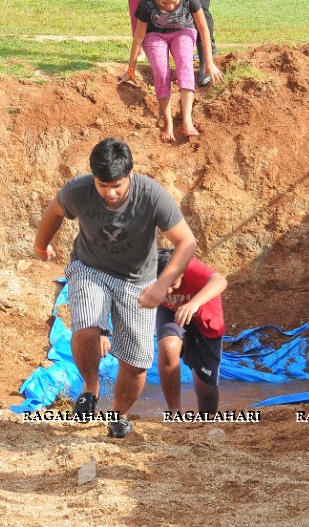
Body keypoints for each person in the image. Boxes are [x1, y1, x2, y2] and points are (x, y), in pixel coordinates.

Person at [34, 138, 198, 438]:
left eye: (118, 186)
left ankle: (118, 416)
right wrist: (41, 246)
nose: (110, 193)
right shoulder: (78, 190)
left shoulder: (151, 195)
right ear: (94, 178)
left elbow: (187, 242)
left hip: (137, 280)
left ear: (130, 176)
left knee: (136, 363)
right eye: (103, 185)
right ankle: (90, 388)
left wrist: (162, 284)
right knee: (86, 329)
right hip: (90, 267)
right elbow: (54, 212)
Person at [126, 0, 221, 141]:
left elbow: (203, 29)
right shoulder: (147, 3)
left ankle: (187, 121)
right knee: (161, 72)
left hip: (183, 31)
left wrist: (209, 62)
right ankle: (168, 122)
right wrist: (131, 68)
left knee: (185, 65)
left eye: (175, 3)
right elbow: (139, 37)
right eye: (164, 3)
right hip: (154, 35)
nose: (170, 6)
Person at [153, 247, 226, 414]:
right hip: (171, 312)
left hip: (205, 317)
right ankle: (174, 413)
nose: (168, 291)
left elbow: (220, 280)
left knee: (205, 389)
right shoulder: (147, 269)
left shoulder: (191, 267)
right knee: (168, 346)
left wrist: (194, 303)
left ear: (182, 272)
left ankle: (206, 421)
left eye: (172, 284)